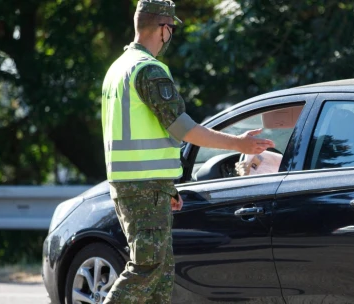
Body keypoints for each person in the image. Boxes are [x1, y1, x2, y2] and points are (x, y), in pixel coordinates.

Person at [100, 0, 275, 303]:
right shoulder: (148, 70)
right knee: (148, 267)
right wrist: (239, 144)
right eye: (171, 29)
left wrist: (166, 185)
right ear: (163, 29)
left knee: (161, 275)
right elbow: (183, 130)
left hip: (139, 184)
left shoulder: (118, 69)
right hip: (144, 187)